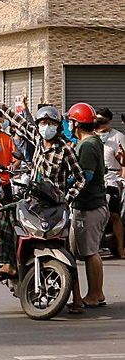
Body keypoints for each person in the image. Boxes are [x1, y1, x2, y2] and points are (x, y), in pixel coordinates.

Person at [0, 85, 87, 296]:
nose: (45, 127)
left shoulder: (65, 149)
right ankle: (9, 263)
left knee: (65, 248)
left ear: (58, 127)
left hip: (56, 205)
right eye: (42, 123)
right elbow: (18, 121)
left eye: (50, 123)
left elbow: (80, 179)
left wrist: (67, 198)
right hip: (33, 201)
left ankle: (76, 298)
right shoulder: (38, 140)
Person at [65, 103, 109, 312]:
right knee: (86, 251)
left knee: (90, 252)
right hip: (89, 204)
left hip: (90, 206)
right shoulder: (90, 141)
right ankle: (95, 293)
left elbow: (87, 176)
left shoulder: (88, 145)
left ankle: (94, 294)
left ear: (75, 123)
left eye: (69, 121)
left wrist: (66, 183)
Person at [95, 107, 125, 258]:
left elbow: (123, 162)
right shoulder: (92, 137)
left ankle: (120, 248)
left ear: (110, 122)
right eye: (97, 121)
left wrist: (121, 158)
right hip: (96, 179)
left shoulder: (118, 137)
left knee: (114, 215)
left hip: (112, 179)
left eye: (103, 122)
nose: (100, 125)